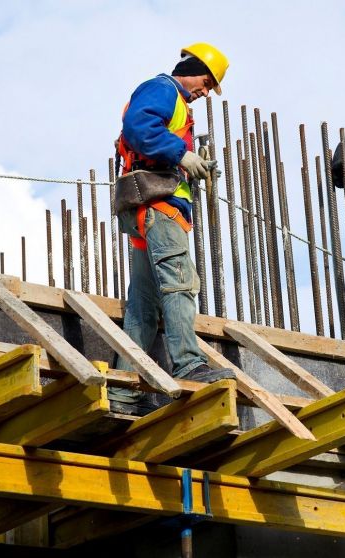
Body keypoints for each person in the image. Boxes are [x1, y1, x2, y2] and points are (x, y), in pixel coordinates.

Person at [108, 43, 234, 416]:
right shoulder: (164, 89)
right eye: (206, 82)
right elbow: (139, 127)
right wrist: (182, 155)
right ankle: (189, 363)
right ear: (191, 68)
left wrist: (191, 164)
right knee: (180, 284)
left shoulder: (176, 103)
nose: (205, 92)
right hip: (159, 209)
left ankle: (125, 389)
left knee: (143, 306)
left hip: (148, 210)